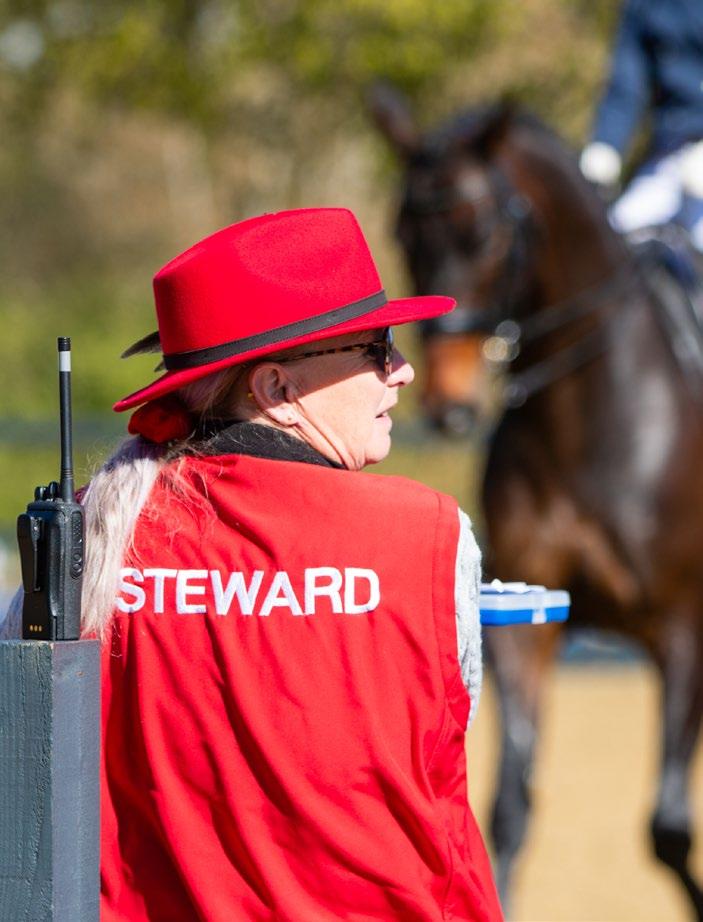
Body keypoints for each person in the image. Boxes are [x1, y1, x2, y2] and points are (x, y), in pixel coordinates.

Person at [3, 208, 503, 921]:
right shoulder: (429, 534)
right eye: (375, 348)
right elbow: (444, 737)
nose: (403, 371)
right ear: (276, 391)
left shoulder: (77, 534)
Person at [579, 0, 703, 251]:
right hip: (670, 153)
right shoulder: (648, 7)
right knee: (616, 242)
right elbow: (627, 84)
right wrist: (606, 145)